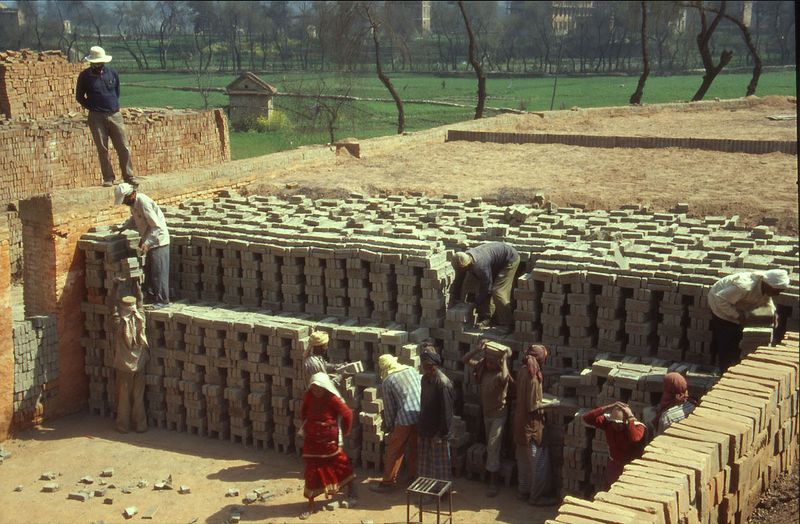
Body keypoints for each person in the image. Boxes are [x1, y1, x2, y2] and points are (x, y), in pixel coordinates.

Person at [75, 46, 136, 187]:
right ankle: (108, 177)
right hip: (96, 116)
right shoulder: (84, 76)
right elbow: (79, 96)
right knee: (102, 148)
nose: (98, 66)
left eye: (100, 63)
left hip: (115, 114)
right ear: (91, 63)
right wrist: (93, 107)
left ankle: (128, 176)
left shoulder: (112, 73)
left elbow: (117, 92)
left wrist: (111, 105)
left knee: (123, 146)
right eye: (96, 63)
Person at [299, 372, 357, 520]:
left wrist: (346, 430)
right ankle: (311, 505)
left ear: (325, 387)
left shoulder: (332, 398)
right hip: (312, 441)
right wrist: (307, 426)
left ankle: (352, 489)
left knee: (341, 464)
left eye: (319, 389)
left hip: (329, 441)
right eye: (314, 389)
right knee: (311, 471)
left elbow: (347, 414)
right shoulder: (308, 397)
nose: (316, 392)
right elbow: (303, 412)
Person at [708, 269, 790, 371]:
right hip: (719, 303)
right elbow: (720, 300)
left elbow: (767, 300)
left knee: (738, 338)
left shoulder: (765, 287)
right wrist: (737, 315)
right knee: (727, 339)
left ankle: (735, 363)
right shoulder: (744, 287)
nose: (778, 294)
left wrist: (773, 313)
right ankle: (725, 370)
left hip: (735, 302)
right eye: (777, 291)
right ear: (769, 285)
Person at [462, 340, 512, 497]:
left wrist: (504, 361)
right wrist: (477, 349)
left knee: (492, 446)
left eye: (492, 362)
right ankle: (491, 472)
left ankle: (493, 482)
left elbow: (505, 379)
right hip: (486, 414)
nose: (489, 364)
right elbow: (465, 360)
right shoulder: (483, 369)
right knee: (492, 446)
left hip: (498, 415)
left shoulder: (500, 375)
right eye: (487, 361)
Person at [369, 354, 422, 493]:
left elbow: (390, 407)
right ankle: (414, 476)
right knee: (415, 446)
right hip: (421, 413)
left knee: (395, 449)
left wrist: (390, 425)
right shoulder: (411, 370)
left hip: (405, 418)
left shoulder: (388, 380)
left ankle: (388, 482)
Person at [513, 344, 555, 505]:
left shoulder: (522, 371)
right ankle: (536, 497)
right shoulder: (533, 376)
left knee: (523, 462)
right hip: (532, 427)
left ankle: (523, 492)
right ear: (540, 359)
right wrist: (551, 404)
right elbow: (532, 406)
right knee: (538, 464)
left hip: (519, 424)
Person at [115, 183, 170, 306]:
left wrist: (147, 243)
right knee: (150, 272)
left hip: (159, 242)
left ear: (131, 194)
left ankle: (163, 301)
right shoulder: (133, 204)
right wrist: (123, 227)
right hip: (149, 241)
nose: (124, 202)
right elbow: (134, 219)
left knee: (158, 272)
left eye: (124, 199)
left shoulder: (143, 202)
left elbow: (157, 227)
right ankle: (151, 297)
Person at [448, 242, 520, 330]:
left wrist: (476, 303)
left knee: (498, 292)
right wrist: (454, 297)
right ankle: (488, 317)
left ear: (465, 266)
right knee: (473, 284)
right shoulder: (464, 258)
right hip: (494, 261)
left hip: (509, 260)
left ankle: (508, 323)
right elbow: (459, 279)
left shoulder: (480, 266)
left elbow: (487, 288)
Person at [582, 401, 647, 487]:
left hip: (631, 467)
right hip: (614, 466)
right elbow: (587, 418)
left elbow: (635, 438)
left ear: (625, 422)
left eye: (619, 424)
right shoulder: (608, 424)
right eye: (614, 423)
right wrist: (608, 407)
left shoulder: (637, 427)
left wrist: (630, 416)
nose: (617, 426)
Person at [417, 344, 456, 481]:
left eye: (429, 366)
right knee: (426, 465)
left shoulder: (443, 383)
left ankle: (440, 493)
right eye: (424, 365)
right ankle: (427, 491)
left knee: (439, 467)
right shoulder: (424, 380)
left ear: (435, 364)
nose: (426, 369)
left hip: (439, 432)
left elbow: (447, 413)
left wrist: (440, 434)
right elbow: (423, 404)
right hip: (426, 429)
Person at [113, 294, 148, 433]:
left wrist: (115, 288)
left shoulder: (119, 323)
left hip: (124, 366)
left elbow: (112, 306)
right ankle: (140, 425)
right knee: (138, 396)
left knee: (123, 397)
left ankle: (123, 426)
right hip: (139, 363)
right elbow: (140, 302)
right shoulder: (140, 318)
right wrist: (138, 287)